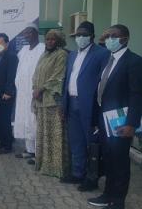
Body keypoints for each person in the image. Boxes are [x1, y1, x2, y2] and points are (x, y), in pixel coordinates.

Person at [87, 24, 142, 209]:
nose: (109, 39)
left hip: (121, 122)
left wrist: (131, 124)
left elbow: (137, 94)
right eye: (108, 36)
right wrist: (96, 121)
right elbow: (101, 92)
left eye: (114, 36)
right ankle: (107, 195)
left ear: (125, 39)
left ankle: (118, 201)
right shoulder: (107, 59)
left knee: (119, 162)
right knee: (109, 159)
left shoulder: (135, 61)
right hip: (104, 122)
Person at [61, 21, 109, 191]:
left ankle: (92, 178)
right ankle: (77, 173)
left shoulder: (102, 54)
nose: (80, 38)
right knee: (76, 141)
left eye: (84, 35)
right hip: (72, 103)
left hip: (90, 106)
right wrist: (63, 105)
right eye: (78, 35)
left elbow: (104, 83)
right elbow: (67, 80)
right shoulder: (72, 54)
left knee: (92, 143)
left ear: (92, 36)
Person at [32, 29, 69, 178]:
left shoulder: (61, 55)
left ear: (58, 41)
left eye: (53, 39)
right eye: (47, 39)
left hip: (53, 102)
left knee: (54, 135)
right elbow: (36, 74)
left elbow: (58, 76)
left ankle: (56, 168)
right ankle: (44, 164)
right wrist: (35, 89)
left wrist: (41, 89)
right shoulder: (44, 55)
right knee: (43, 134)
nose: (49, 42)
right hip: (41, 101)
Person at [14, 24, 45, 162]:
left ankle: (39, 153)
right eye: (25, 33)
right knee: (25, 119)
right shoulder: (24, 50)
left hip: (35, 91)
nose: (27, 35)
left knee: (35, 121)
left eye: (29, 32)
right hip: (22, 92)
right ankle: (29, 150)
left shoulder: (43, 48)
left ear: (36, 33)